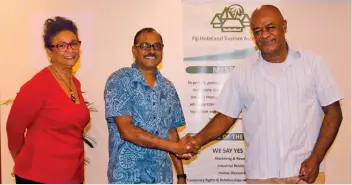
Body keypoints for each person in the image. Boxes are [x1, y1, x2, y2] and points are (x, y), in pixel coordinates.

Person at [183, 5, 343, 184]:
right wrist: (196, 141)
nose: (264, 35)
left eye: (270, 28)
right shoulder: (242, 72)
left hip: (305, 173)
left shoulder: (313, 65)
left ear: (284, 26)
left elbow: (334, 113)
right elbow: (225, 117)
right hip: (261, 175)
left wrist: (317, 157)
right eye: (258, 31)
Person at [104, 27, 195, 184]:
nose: (151, 50)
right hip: (128, 177)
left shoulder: (168, 87)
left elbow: (171, 132)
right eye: (145, 45)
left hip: (162, 177)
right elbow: (126, 131)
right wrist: (174, 147)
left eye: (157, 46)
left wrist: (181, 176)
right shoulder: (120, 80)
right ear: (134, 50)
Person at [6, 16, 90, 184]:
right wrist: (22, 162)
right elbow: (13, 130)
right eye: (61, 45)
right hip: (38, 177)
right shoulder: (37, 86)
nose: (70, 50)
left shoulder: (75, 83)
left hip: (72, 176)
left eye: (74, 43)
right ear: (49, 51)